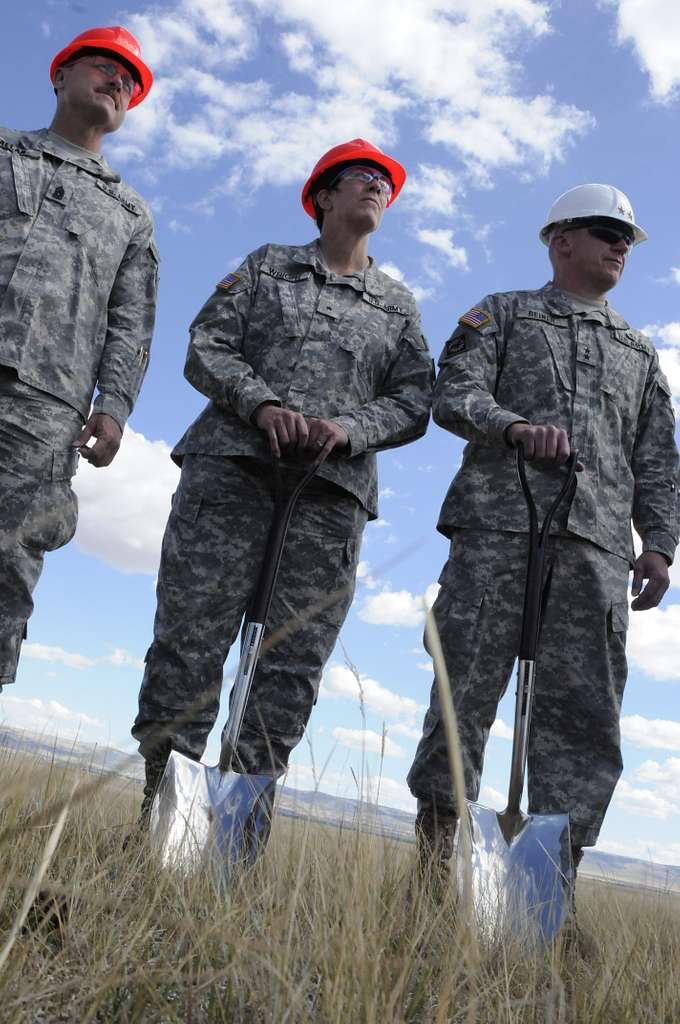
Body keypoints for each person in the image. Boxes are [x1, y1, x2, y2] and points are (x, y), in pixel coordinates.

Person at [131, 139, 434, 827]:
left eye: (385, 183)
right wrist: (261, 404)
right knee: (190, 640)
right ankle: (162, 818)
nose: (377, 188)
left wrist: (349, 428)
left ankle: (236, 832)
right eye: (362, 178)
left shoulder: (395, 306)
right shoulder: (269, 266)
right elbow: (207, 344)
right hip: (232, 473)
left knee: (290, 663)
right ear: (322, 196)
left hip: (328, 499)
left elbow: (417, 397)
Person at [407, 184, 679, 891]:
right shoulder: (502, 314)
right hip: (498, 529)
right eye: (604, 232)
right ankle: (436, 871)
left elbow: (657, 457)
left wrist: (659, 543)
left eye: (626, 238)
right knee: (461, 693)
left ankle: (548, 888)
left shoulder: (640, 354)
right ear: (560, 241)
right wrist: (514, 428)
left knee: (585, 719)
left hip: (595, 549)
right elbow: (454, 392)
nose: (621, 246)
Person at [0, 26, 158, 692]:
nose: (117, 80)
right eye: (103, 65)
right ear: (60, 76)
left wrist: (115, 406)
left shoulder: (130, 214)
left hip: (45, 409)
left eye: (129, 79)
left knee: (6, 564)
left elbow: (131, 320)